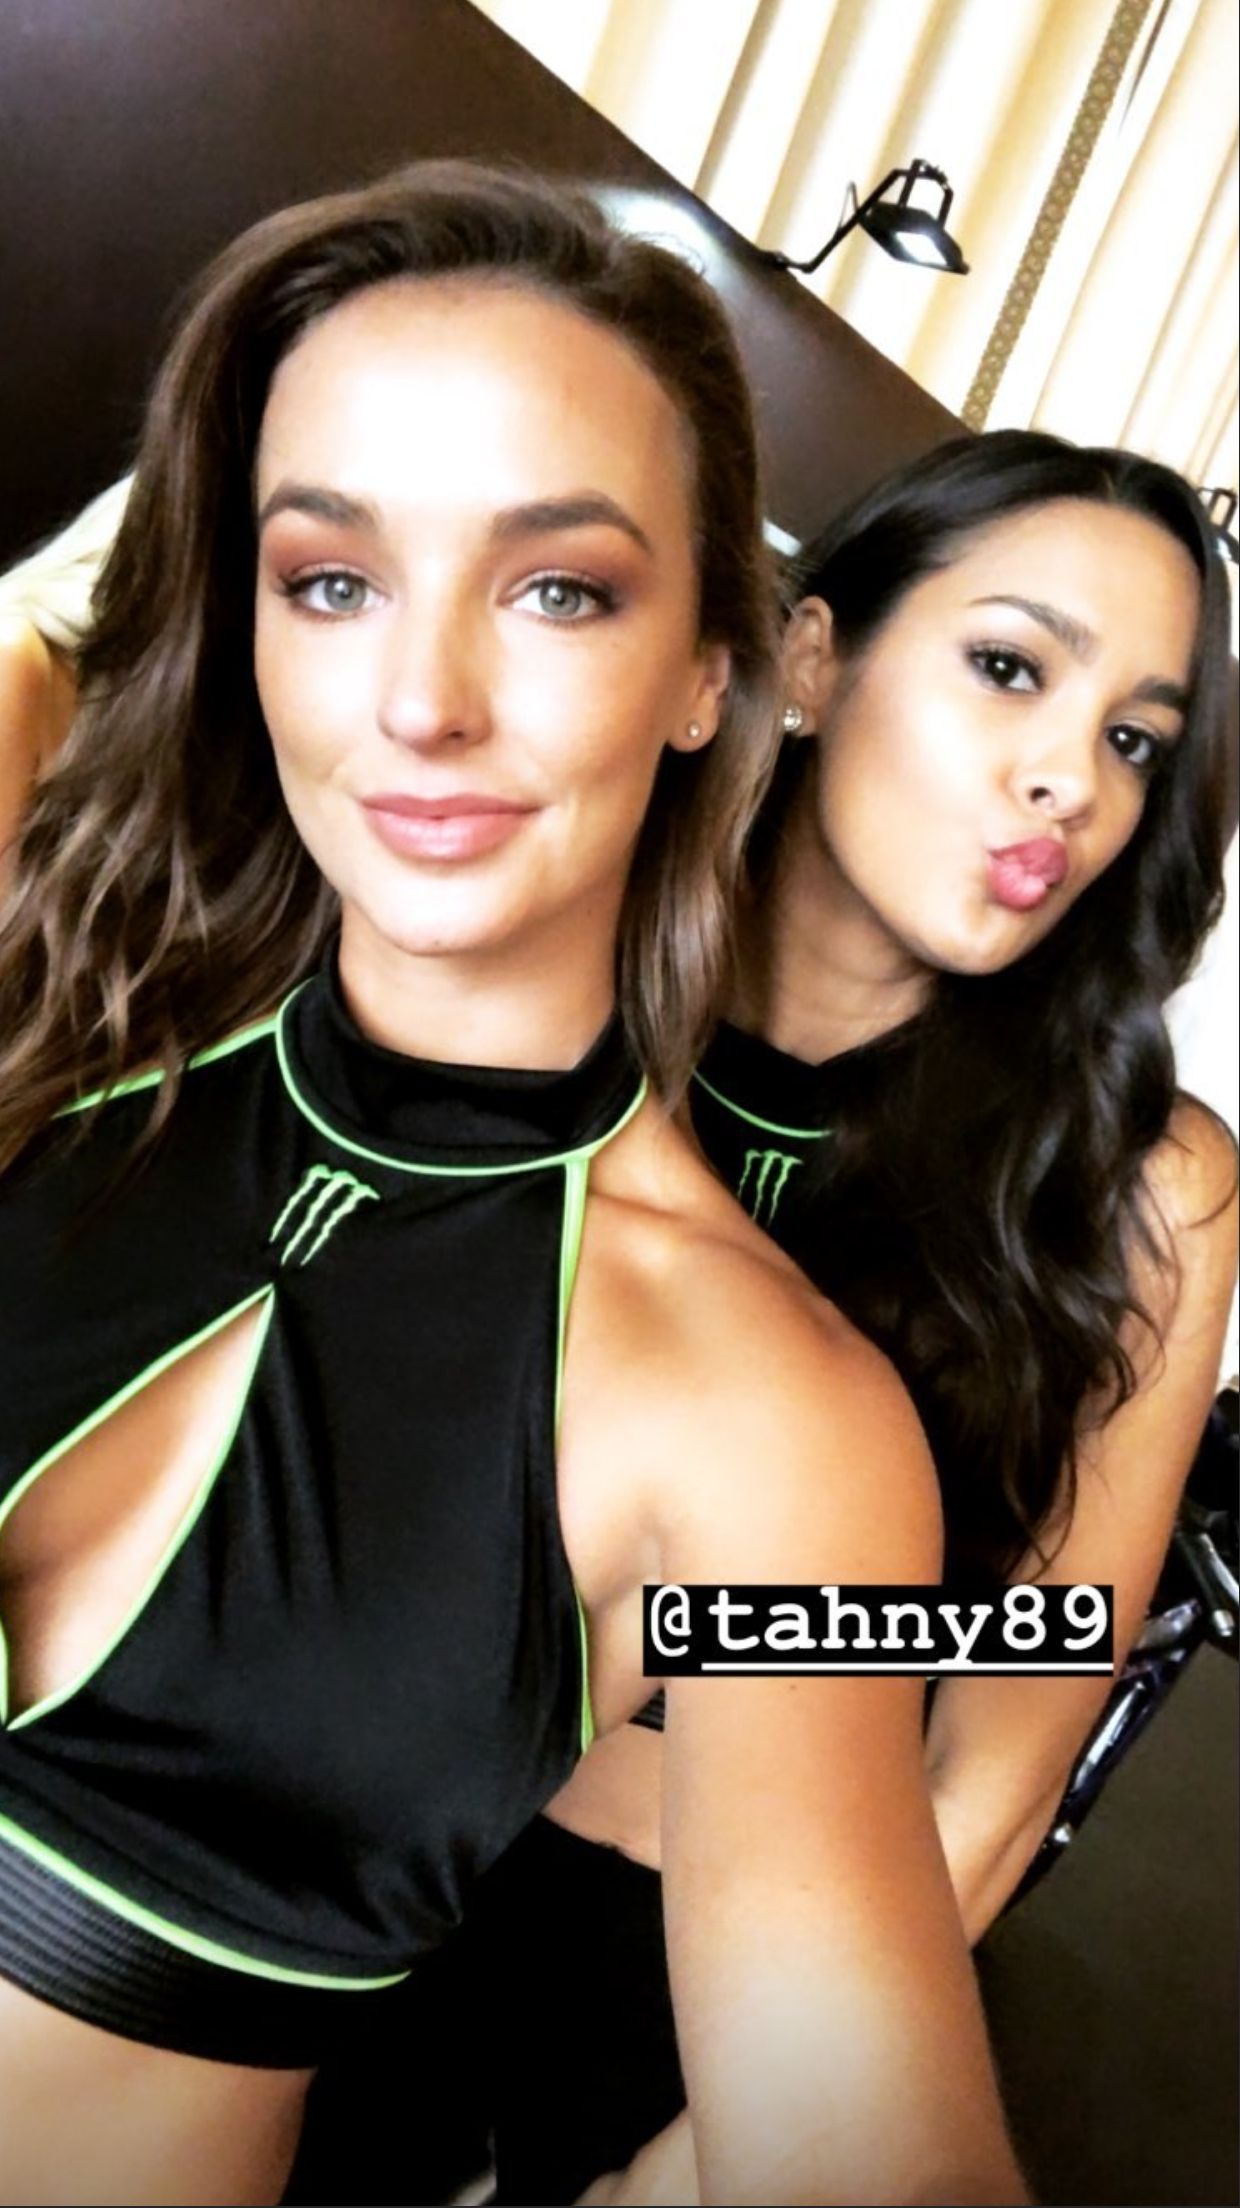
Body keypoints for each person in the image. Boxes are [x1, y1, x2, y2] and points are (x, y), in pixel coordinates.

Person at [0, 164, 1024, 2206]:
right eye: (330, 580)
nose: (420, 703)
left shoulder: (777, 1425)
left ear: (713, 672)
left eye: (559, 590)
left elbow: (860, 2136)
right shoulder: (58, 1013)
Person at [453, 431, 1239, 2205]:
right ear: (811, 662)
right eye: (1010, 669)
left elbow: (998, 1760)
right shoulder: (547, 993)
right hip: (335, 1866)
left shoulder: (1144, 1190)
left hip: (714, 1978)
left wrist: (681, 2172)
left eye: (1135, 741)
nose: (1071, 782)